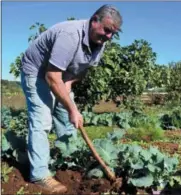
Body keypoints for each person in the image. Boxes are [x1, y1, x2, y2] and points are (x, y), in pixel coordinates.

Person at [19, 4, 122, 193]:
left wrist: (68, 94)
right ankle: (39, 174)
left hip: (61, 76)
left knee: (67, 120)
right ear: (94, 21)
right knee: (42, 120)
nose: (108, 36)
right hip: (38, 73)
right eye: (107, 30)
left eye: (113, 33)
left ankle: (67, 159)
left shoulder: (100, 42)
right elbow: (51, 77)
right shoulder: (70, 35)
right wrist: (73, 109)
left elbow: (82, 70)